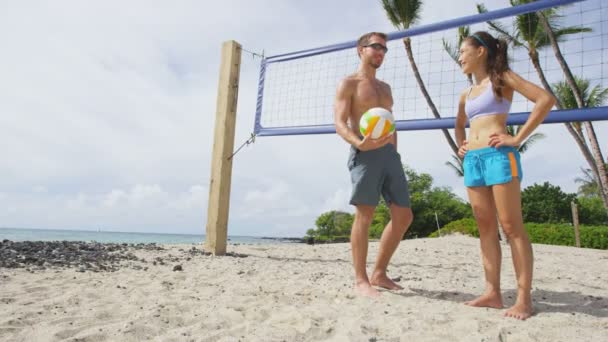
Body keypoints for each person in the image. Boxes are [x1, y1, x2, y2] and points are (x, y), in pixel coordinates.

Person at [455, 31, 556, 319]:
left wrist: (518, 138)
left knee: (511, 227)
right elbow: (460, 124)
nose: (460, 57)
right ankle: (492, 293)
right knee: (485, 229)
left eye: (463, 51)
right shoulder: (467, 93)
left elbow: (545, 100)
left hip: (499, 157)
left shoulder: (503, 78)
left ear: (481, 51)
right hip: (473, 160)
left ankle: (524, 299)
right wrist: (462, 144)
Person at [334, 32, 413, 298]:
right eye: (375, 47)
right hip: (365, 153)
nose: (380, 52)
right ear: (361, 49)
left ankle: (379, 273)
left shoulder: (386, 88)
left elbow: (391, 122)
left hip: (389, 155)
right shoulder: (349, 83)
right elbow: (339, 123)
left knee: (404, 216)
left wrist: (395, 152)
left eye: (384, 49)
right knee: (365, 214)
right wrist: (359, 143)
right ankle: (360, 280)